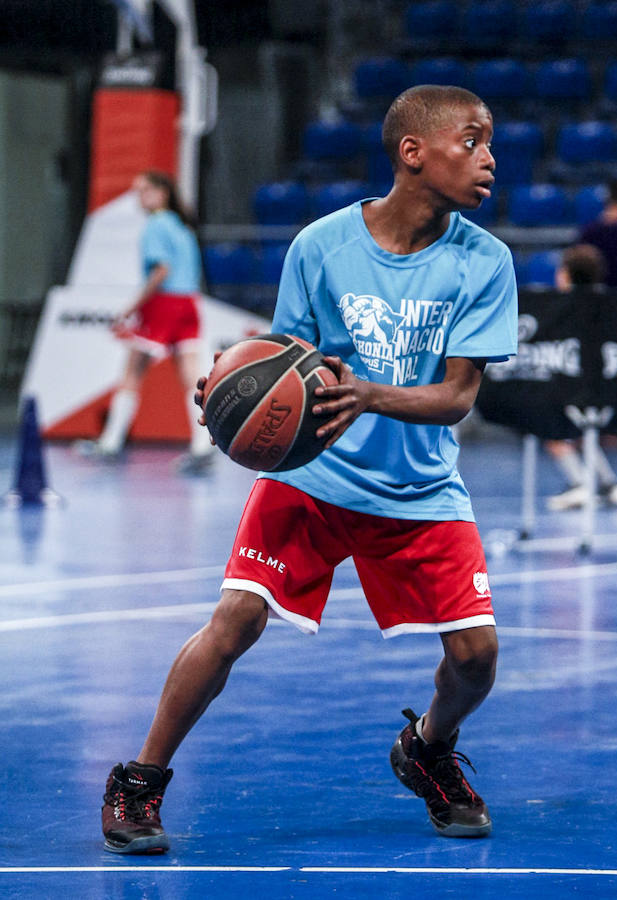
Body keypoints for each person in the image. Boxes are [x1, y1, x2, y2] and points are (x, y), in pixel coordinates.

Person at [101, 85, 518, 853]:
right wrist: (230, 388)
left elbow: (458, 395)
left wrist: (369, 394)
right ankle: (138, 781)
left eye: (490, 143)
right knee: (234, 621)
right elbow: (285, 361)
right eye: (472, 141)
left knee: (477, 657)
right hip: (313, 478)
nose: (489, 158)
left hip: (420, 489)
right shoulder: (321, 245)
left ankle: (426, 747)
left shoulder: (484, 262)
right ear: (413, 152)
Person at [77, 170, 214, 473]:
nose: (140, 198)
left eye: (144, 191)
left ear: (161, 193)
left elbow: (162, 270)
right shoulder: (182, 226)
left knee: (132, 372)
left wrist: (131, 308)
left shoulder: (156, 225)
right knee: (191, 377)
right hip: (189, 303)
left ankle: (110, 444)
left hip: (163, 304)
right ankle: (202, 446)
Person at [545, 243, 617, 511]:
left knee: (552, 432)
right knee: (585, 433)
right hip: (603, 387)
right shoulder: (607, 305)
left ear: (567, 274)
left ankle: (581, 484)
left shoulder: (562, 309)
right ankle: (610, 484)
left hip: (573, 385)